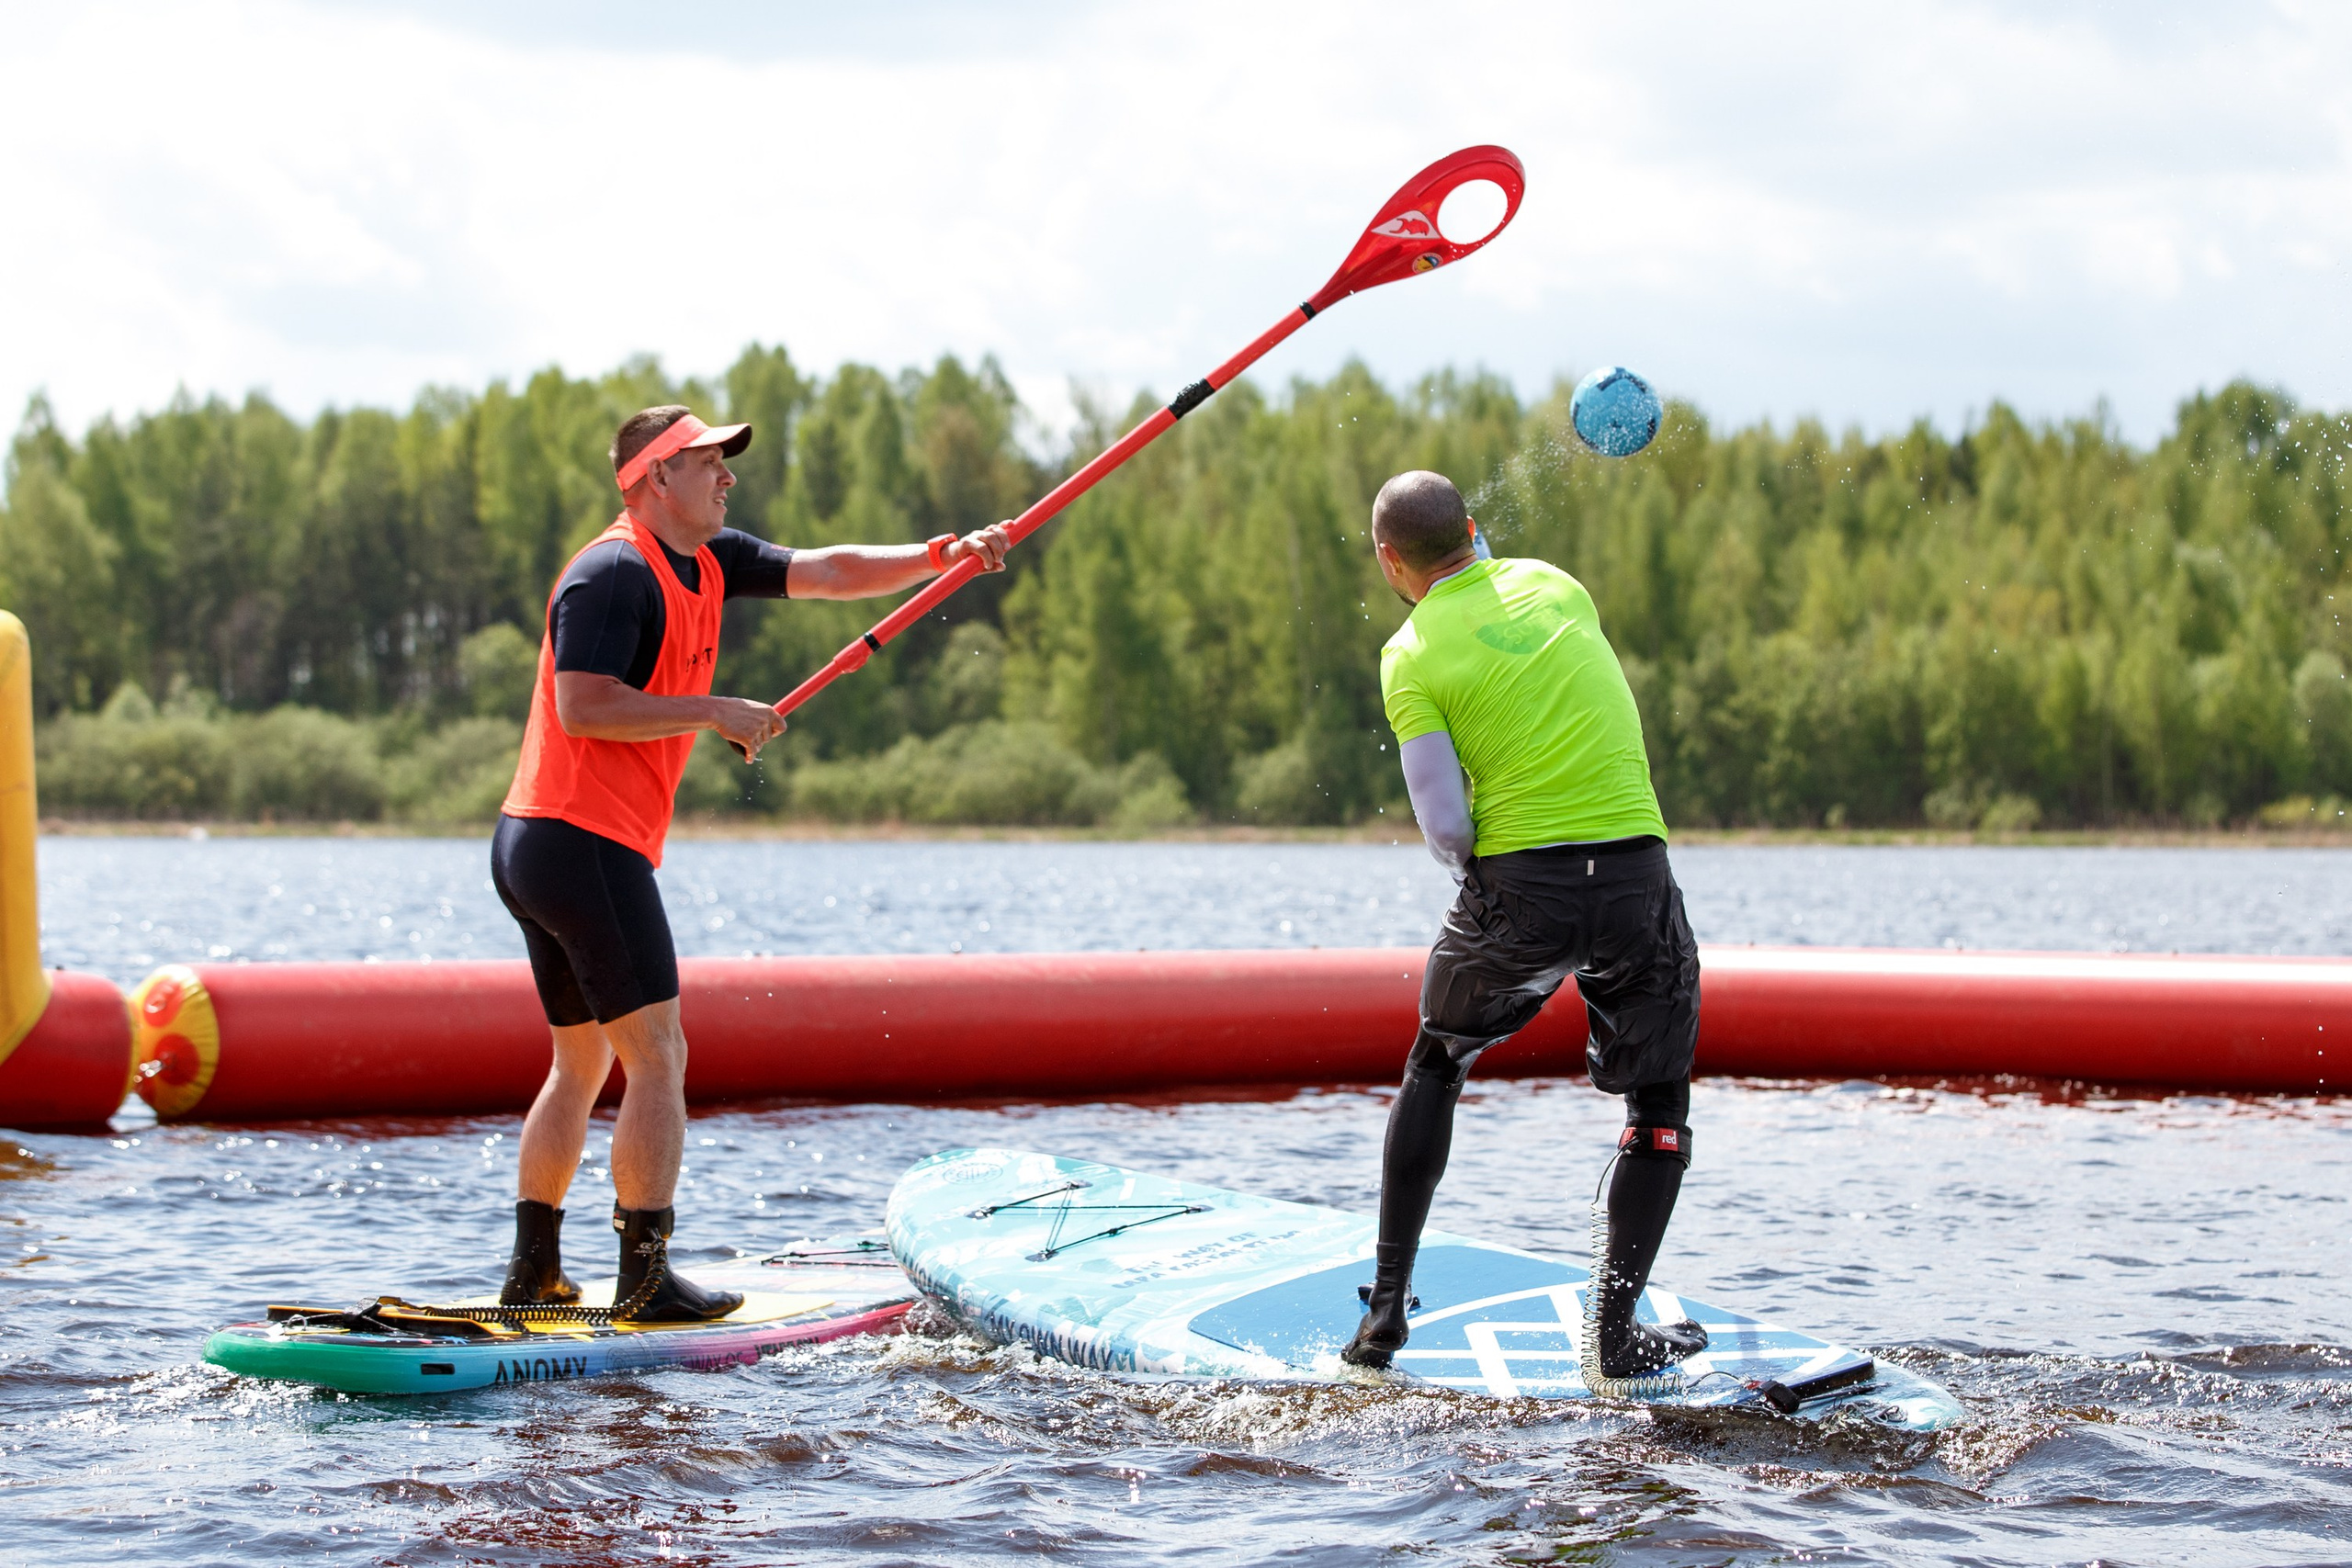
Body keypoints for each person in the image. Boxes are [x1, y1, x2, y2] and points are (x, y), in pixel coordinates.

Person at [492, 404, 1008, 1320]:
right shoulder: (612, 572)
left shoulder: (711, 560)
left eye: (727, 462)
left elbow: (829, 570)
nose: (727, 476)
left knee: (580, 1066)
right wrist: (714, 709)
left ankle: (536, 1272)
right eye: (706, 463)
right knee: (658, 1060)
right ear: (655, 479)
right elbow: (583, 707)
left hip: (544, 843)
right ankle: (644, 1285)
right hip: (579, 844)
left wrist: (943, 555)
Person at [1342, 469, 1706, 1395]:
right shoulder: (1558, 584)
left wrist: (1504, 896)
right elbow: (1511, 610)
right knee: (1657, 1107)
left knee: (1438, 1060)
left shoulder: (1409, 652)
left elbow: (1446, 829)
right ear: (1474, 527)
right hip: (1636, 877)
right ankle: (1615, 1335)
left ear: (1388, 560)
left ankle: (1385, 1314)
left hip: (1522, 890)